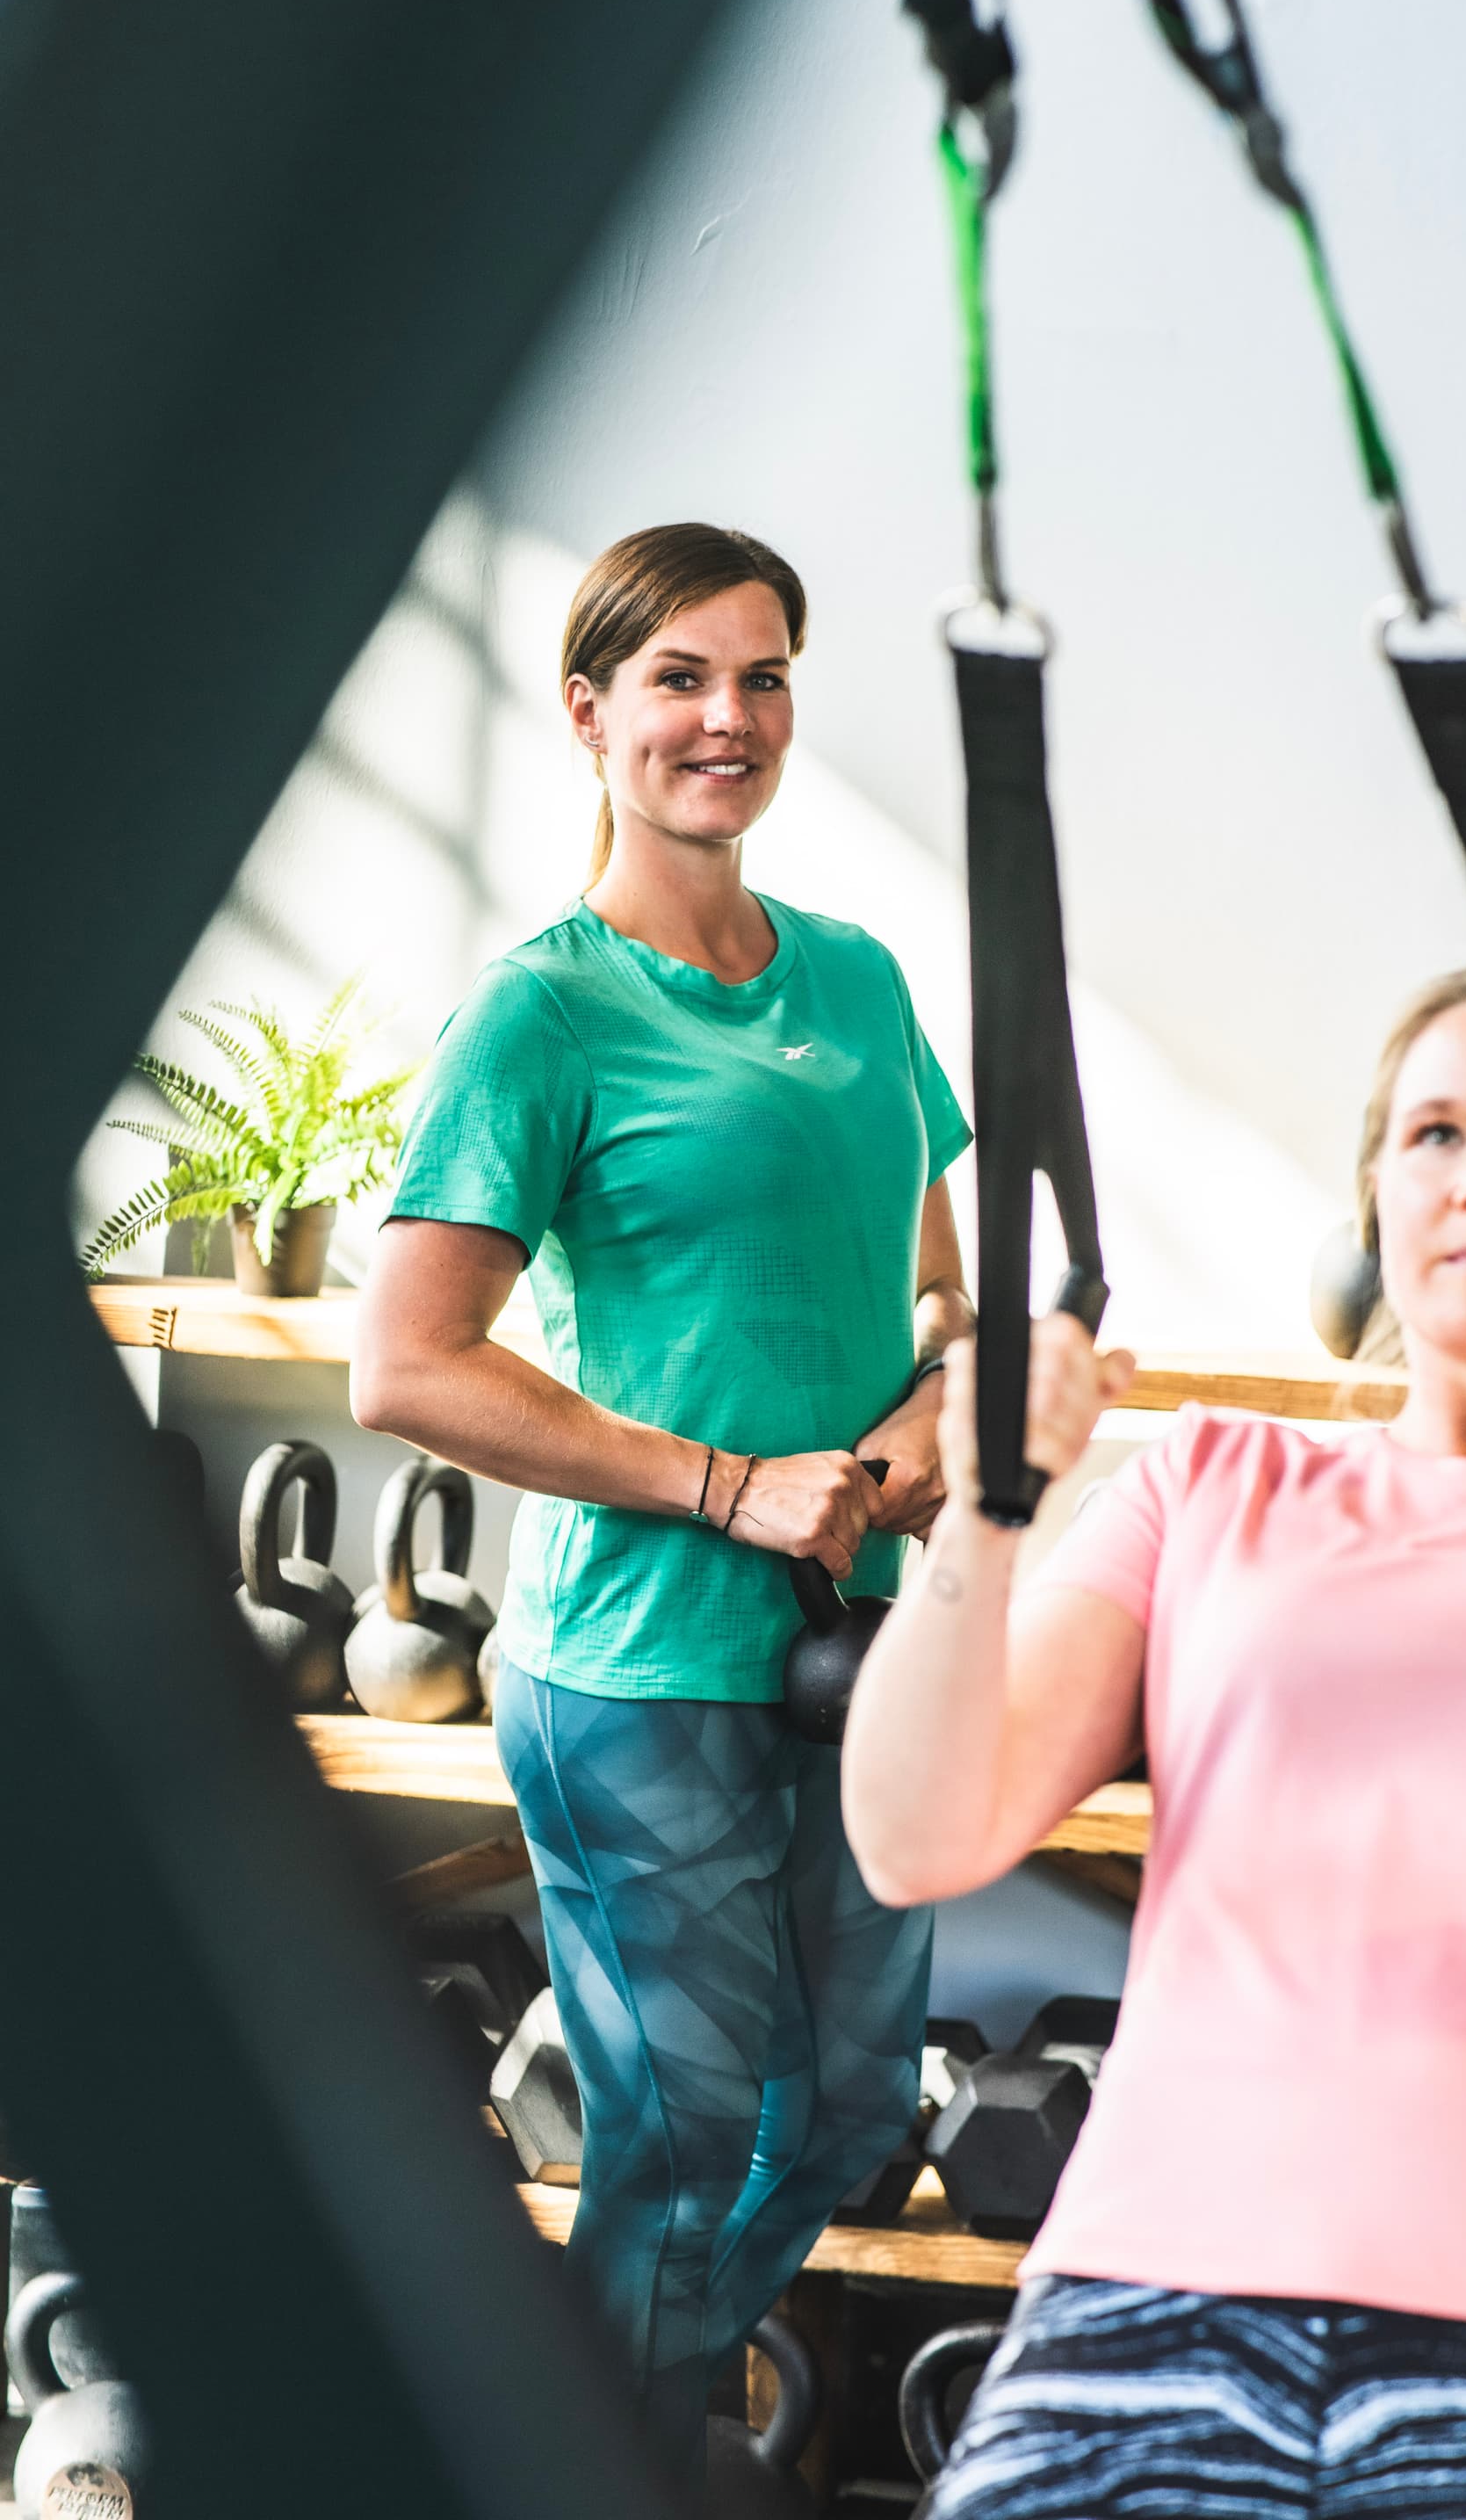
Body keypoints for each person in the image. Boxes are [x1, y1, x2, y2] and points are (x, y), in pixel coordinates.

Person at [843, 955, 1466, 2519]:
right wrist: (984, 1508)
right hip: (1150, 2294)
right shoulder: (1216, 1484)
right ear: (1377, 1196)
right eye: (1434, 1131)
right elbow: (916, 1832)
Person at [350, 521, 973, 2485]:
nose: (729, 716)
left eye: (764, 675)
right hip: (636, 1671)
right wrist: (727, 1486)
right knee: (684, 2140)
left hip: (859, 1647)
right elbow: (407, 1364)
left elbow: (939, 1295)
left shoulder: (863, 984)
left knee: (860, 2104)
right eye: (683, 677)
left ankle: (555, 2430)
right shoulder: (542, 1013)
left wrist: (904, 1447)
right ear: (591, 715)